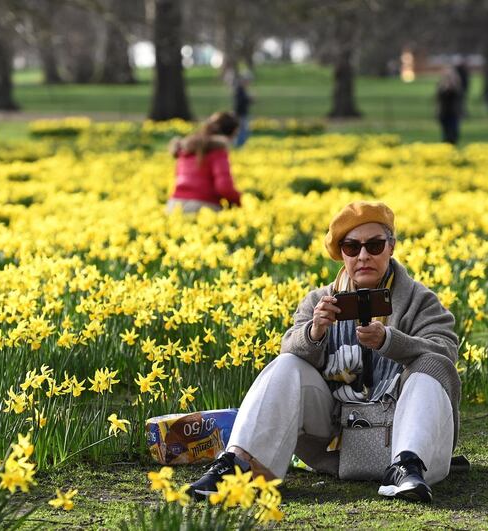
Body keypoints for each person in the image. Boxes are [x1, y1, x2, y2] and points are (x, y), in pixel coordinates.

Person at [189, 201, 460, 503]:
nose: (363, 256)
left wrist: (389, 341)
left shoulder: (420, 300)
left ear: (391, 247)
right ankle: (239, 464)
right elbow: (289, 351)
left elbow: (446, 351)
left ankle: (406, 466)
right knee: (287, 363)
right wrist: (315, 332)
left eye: (374, 245)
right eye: (352, 247)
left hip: (404, 431)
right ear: (341, 253)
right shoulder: (319, 300)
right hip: (333, 435)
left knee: (431, 363)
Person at [166, 111, 242, 214]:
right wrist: (240, 201)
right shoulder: (218, 150)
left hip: (173, 205)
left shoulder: (188, 147)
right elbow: (224, 187)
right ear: (230, 134)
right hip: (201, 206)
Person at [436, 67, 463, 145]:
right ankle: (446, 148)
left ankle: (452, 146)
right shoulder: (441, 86)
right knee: (446, 133)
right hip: (444, 113)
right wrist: (445, 89)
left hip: (454, 113)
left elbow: (459, 96)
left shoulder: (457, 86)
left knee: (454, 133)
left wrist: (452, 87)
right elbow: (439, 98)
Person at [232, 72, 253, 148]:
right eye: (247, 80)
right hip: (240, 114)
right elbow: (240, 102)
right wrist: (249, 99)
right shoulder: (239, 89)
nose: (248, 83)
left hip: (242, 113)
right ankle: (239, 145)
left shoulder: (242, 89)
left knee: (243, 130)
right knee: (241, 130)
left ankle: (240, 145)